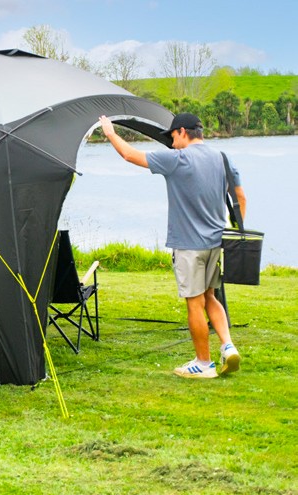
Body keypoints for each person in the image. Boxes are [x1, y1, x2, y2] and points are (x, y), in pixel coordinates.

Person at [98, 112, 246, 379]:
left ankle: (204, 363)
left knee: (194, 303)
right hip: (216, 243)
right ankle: (228, 346)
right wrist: (235, 231)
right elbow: (240, 197)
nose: (171, 142)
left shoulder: (178, 160)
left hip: (189, 246)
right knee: (210, 297)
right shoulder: (222, 158)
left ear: (182, 132)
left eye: (172, 136)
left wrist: (110, 132)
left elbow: (130, 155)